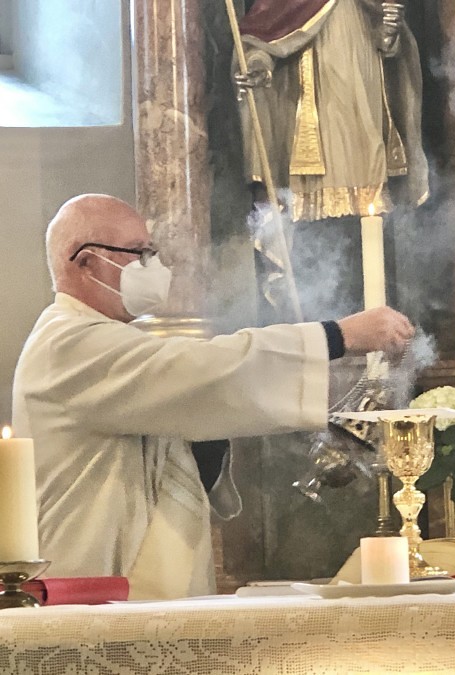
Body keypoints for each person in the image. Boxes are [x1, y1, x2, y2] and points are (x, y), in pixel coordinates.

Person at [12, 194, 415, 599]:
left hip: (130, 592)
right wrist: (338, 336)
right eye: (138, 253)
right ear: (85, 262)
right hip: (88, 585)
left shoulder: (108, 340)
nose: (153, 266)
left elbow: (190, 401)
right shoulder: (67, 344)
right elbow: (200, 370)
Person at [234, 0, 428, 222]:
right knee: (317, 215)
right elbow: (268, 30)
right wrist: (258, 65)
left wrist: (390, 33)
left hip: (364, 109)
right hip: (314, 121)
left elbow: (388, 47)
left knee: (370, 195)